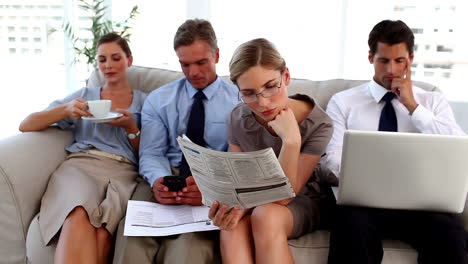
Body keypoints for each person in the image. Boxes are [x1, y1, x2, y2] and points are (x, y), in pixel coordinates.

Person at [323, 20, 467, 264]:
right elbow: (329, 163)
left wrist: (413, 106)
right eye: (383, 60)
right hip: (362, 204)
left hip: (421, 206)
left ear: (410, 58)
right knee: (352, 228)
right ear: (370, 57)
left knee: (449, 234)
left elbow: (457, 150)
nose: (391, 69)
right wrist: (364, 179)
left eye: (399, 60)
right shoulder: (343, 102)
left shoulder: (432, 101)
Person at [112, 19, 239, 264]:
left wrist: (209, 187)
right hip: (166, 175)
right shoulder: (159, 100)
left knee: (188, 252)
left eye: (201, 62)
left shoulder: (239, 101)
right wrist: (158, 180)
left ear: (217, 55)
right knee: (132, 241)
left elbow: (237, 162)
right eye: (185, 64)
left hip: (211, 183)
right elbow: (151, 152)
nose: (193, 72)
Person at [19, 32, 146, 263]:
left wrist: (130, 127)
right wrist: (65, 110)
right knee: (78, 212)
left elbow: (148, 154)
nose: (108, 65)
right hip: (81, 165)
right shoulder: (83, 98)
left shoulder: (146, 101)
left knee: (102, 233)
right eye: (102, 59)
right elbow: (26, 125)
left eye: (116, 58)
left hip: (123, 171)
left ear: (129, 60)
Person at [208, 38, 334, 264]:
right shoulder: (237, 119)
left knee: (266, 215)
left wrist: (292, 141)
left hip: (303, 200)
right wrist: (233, 208)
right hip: (257, 198)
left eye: (270, 87)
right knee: (232, 225)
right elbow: (242, 186)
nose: (263, 102)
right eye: (249, 93)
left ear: (286, 77)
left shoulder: (319, 123)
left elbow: (285, 196)